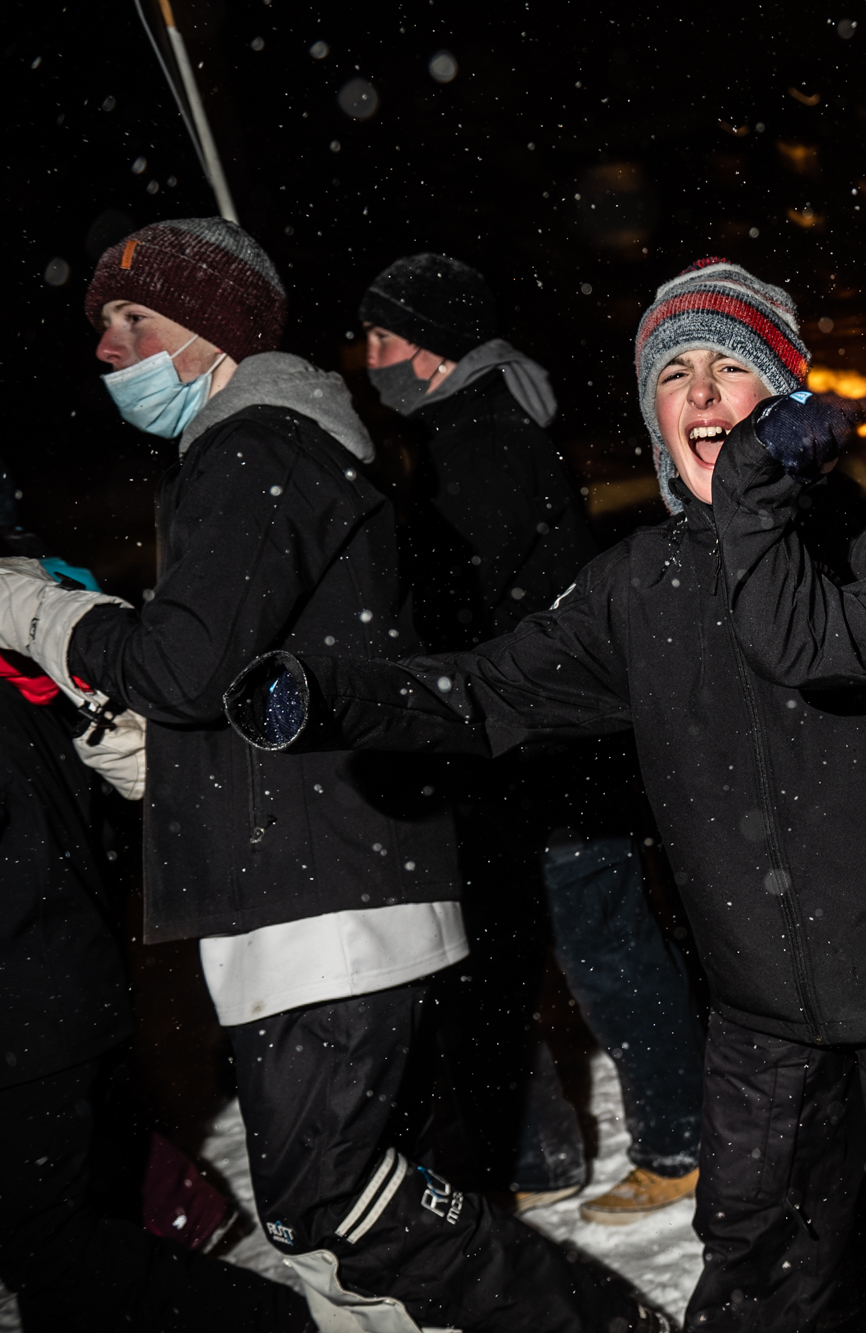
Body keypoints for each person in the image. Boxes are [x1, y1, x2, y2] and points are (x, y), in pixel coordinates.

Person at [222, 257, 866, 1332]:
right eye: (674, 374)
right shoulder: (641, 585)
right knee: (759, 1277)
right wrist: (335, 693)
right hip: (762, 1024)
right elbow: (489, 688)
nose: (700, 392)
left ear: (787, 400)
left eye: (729, 366)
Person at [0, 218, 657, 1331]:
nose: (108, 348)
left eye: (133, 319)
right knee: (348, 1211)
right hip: (307, 880)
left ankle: (597, 1320)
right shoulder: (249, 450)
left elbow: (183, 665)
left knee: (330, 1202)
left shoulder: (255, 449)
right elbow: (234, 684)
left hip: (321, 894)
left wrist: (38, 610)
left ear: (207, 328)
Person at [359, 252, 705, 1226]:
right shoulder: (463, 431)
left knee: (604, 946)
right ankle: (541, 1151)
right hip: (523, 751)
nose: (370, 359)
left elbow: (458, 596)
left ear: (432, 349)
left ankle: (682, 1136)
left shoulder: (479, 440)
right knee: (514, 957)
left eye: (383, 338)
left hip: (551, 751)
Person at [0, 541, 309, 1330]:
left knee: (54, 1248)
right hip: (62, 980)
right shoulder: (15, 629)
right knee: (70, 1252)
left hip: (34, 1003)